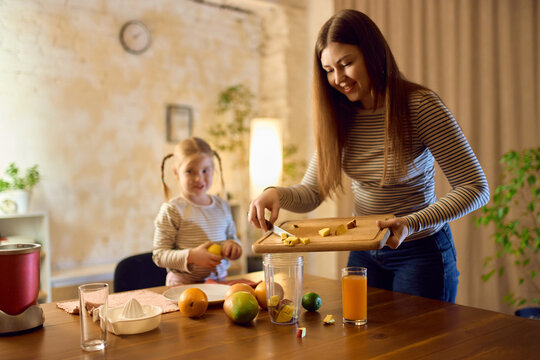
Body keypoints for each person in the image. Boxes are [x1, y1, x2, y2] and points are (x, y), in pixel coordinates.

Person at [247, 9, 489, 302]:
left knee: (419, 348)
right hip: (364, 250)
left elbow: (475, 188)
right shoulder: (338, 115)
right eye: (328, 70)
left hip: (420, 251)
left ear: (373, 54)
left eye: (346, 63)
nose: (338, 78)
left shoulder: (419, 106)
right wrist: (275, 194)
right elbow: (312, 192)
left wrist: (410, 222)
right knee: (362, 343)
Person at [153, 137, 242, 286]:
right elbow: (159, 255)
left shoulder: (222, 206)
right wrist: (192, 256)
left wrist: (233, 246)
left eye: (205, 170)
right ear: (176, 173)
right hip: (183, 287)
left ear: (213, 170)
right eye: (190, 171)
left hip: (219, 284)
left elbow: (232, 239)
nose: (198, 178)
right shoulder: (172, 210)